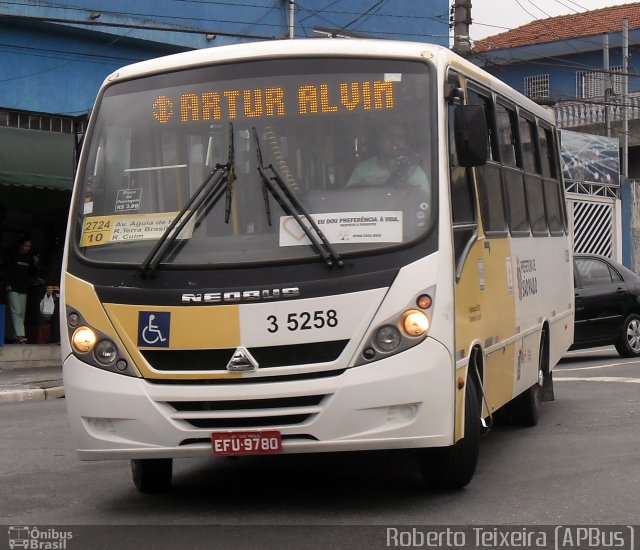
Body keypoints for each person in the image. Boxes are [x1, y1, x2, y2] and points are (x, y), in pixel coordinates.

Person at [347, 122, 429, 191]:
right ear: (379, 141)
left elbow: (424, 200)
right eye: (389, 137)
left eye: (400, 137)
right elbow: (349, 197)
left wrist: (409, 190)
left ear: (405, 143)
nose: (395, 142)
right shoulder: (362, 170)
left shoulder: (414, 170)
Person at [5, 237, 38, 344]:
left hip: (23, 288)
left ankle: (12, 335)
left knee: (21, 313)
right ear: (21, 245)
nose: (27, 248)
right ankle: (20, 335)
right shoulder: (12, 256)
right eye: (25, 246)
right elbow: (7, 270)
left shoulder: (29, 258)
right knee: (16, 311)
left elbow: (32, 274)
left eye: (29, 246)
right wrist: (7, 284)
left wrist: (35, 263)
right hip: (12, 288)